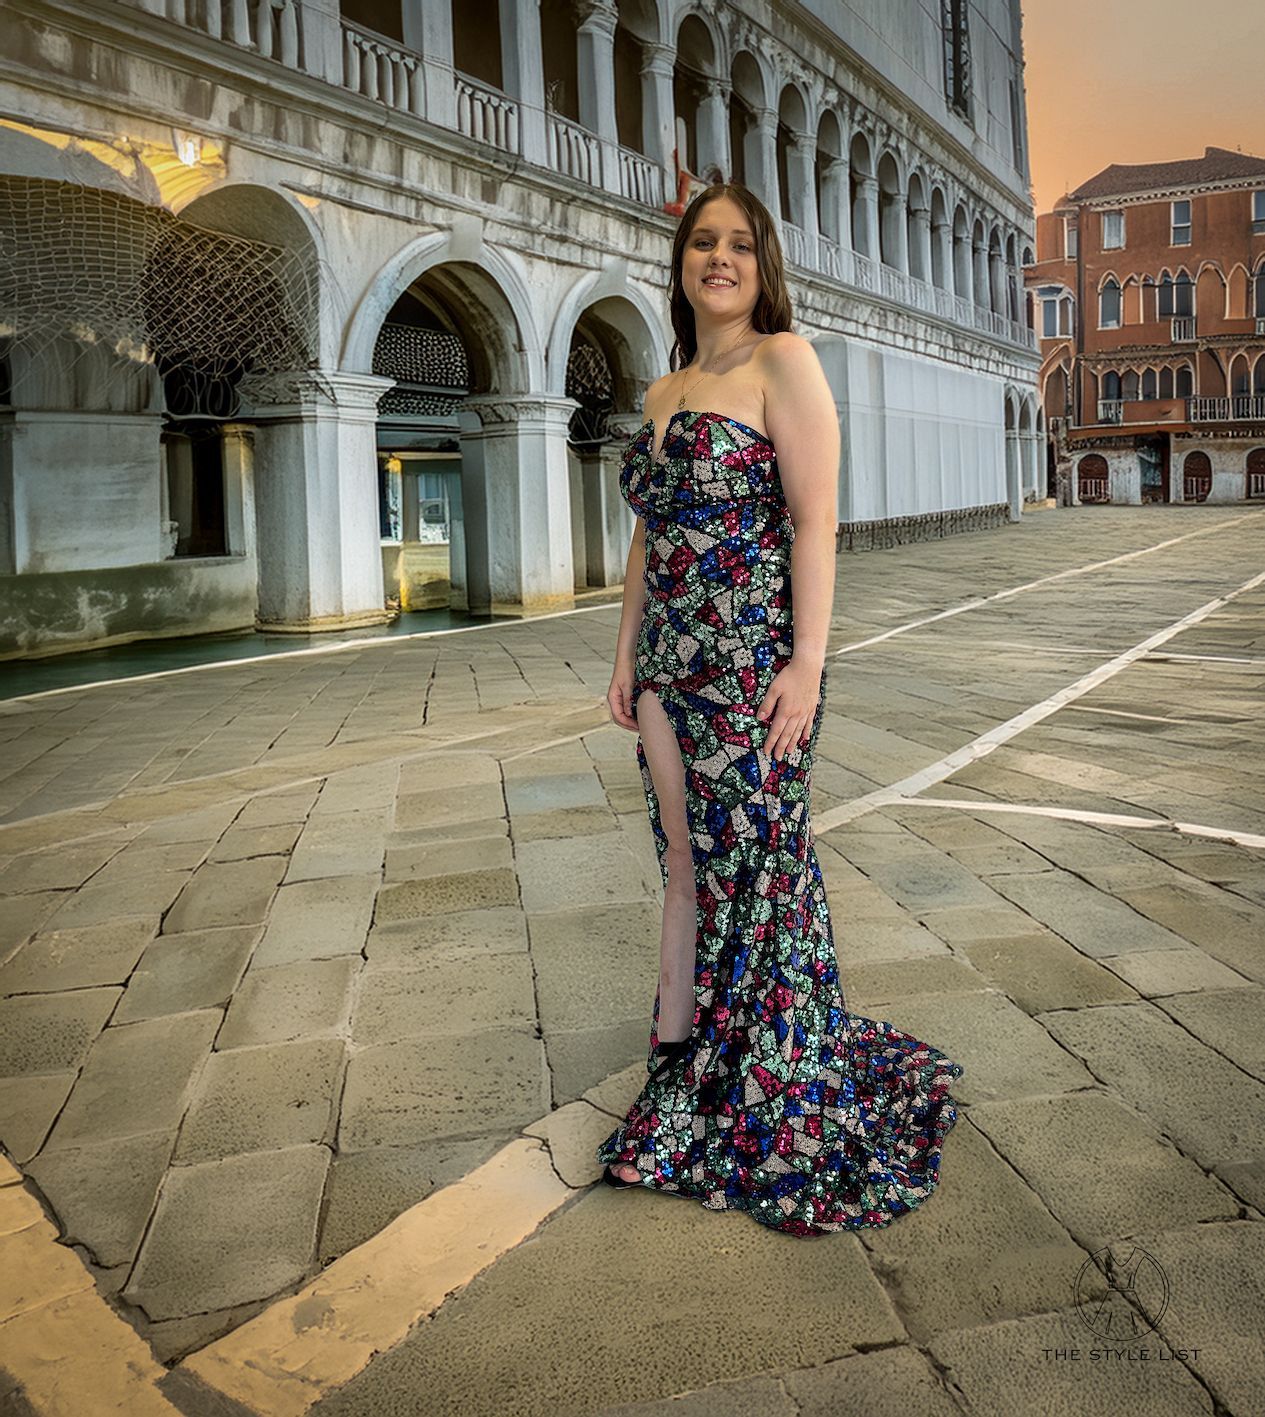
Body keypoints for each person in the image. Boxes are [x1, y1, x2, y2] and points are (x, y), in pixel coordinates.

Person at [595, 181, 965, 1236]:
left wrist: (806, 663)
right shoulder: (665, 389)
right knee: (680, 854)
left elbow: (814, 522)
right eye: (703, 242)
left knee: (760, 864)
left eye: (739, 245)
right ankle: (679, 1057)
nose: (719, 258)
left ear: (762, 266)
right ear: (680, 260)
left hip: (754, 666)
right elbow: (646, 541)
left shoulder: (783, 362)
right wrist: (624, 658)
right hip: (671, 666)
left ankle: (764, 1075)